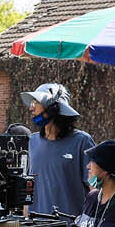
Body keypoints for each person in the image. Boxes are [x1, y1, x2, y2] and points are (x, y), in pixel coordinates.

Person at [20, 83, 94, 219]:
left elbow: (94, 188)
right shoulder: (32, 142)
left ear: (53, 107)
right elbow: (28, 189)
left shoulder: (82, 142)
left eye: (36, 102)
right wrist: (26, 221)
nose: (31, 108)